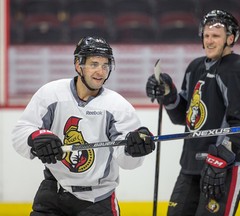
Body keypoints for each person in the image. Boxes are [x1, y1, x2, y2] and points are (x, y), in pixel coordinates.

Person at [12, 36, 155, 216]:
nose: (101, 72)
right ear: (78, 65)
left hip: (98, 200)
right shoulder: (50, 94)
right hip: (55, 192)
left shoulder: (118, 106)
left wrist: (135, 149)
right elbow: (20, 133)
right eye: (94, 64)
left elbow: (127, 161)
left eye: (105, 65)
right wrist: (35, 138)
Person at [146, 10, 240, 216]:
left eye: (215, 36)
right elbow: (185, 116)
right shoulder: (195, 67)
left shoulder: (239, 69)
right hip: (193, 162)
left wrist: (222, 157)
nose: (209, 41)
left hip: (227, 163)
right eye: (206, 35)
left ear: (230, 38)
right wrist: (168, 94)